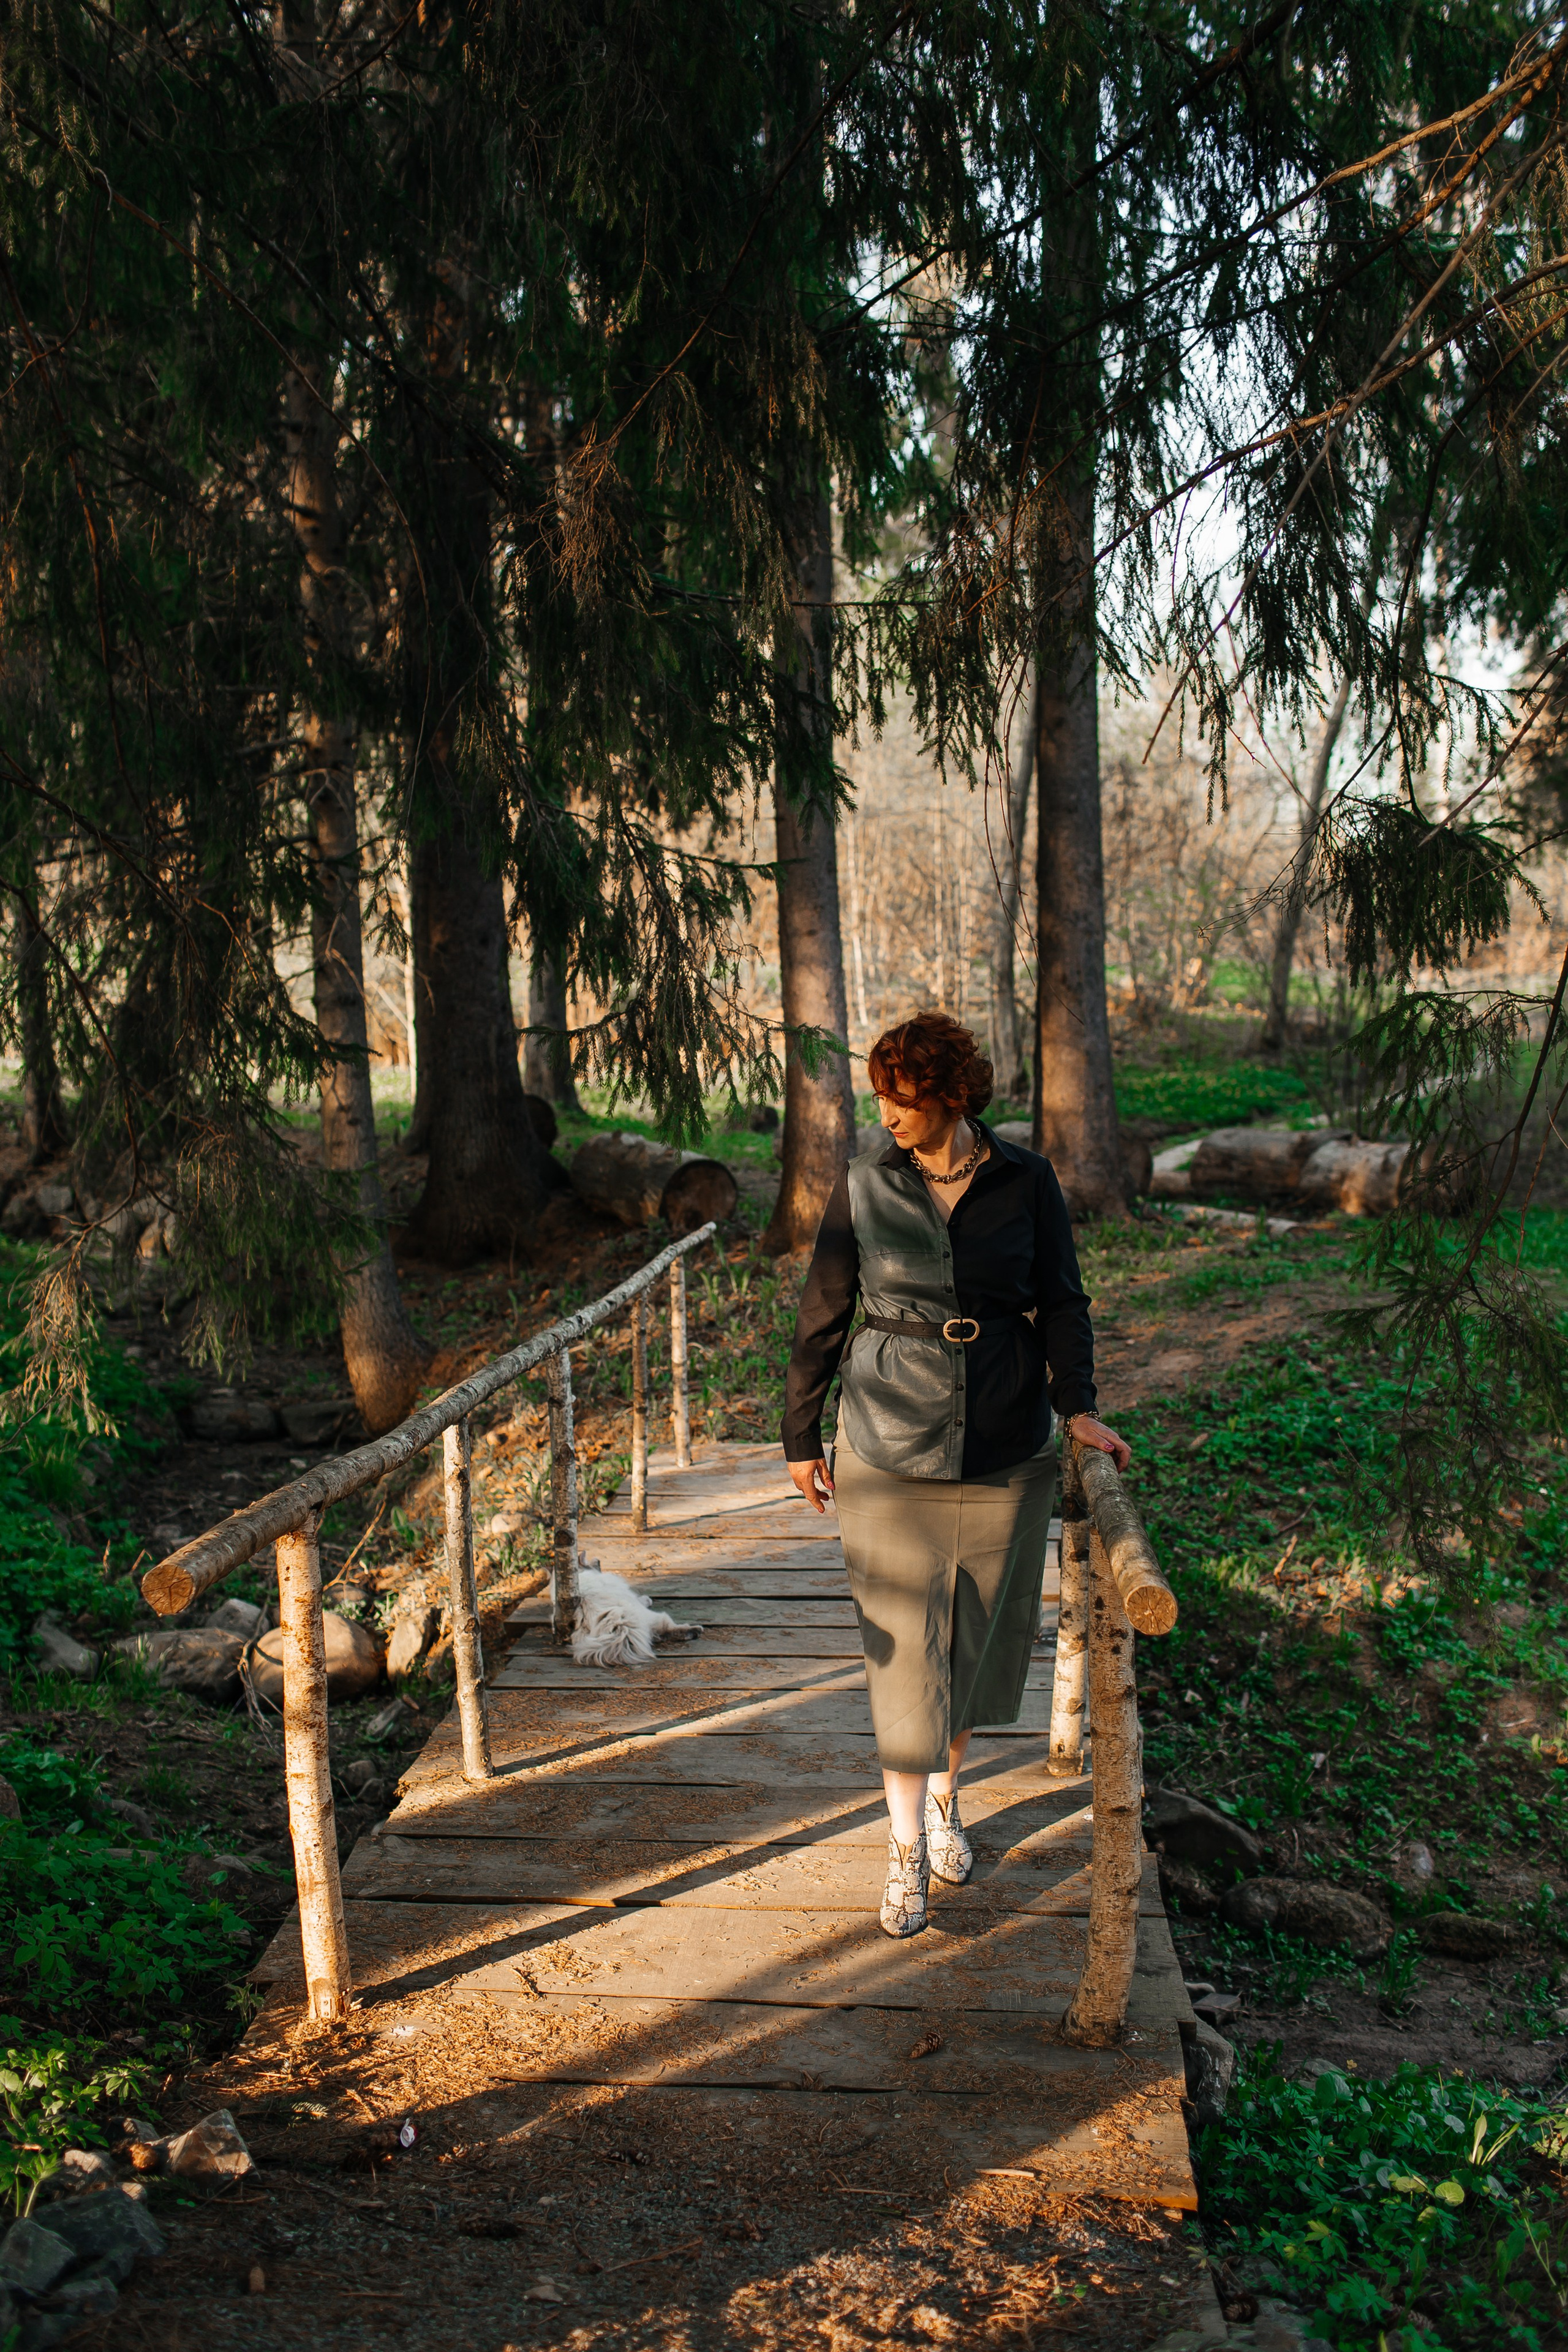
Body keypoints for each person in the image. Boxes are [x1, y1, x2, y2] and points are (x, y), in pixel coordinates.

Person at [782, 1011, 1129, 1938]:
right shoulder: (864, 1185)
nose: (886, 1113)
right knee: (904, 1654)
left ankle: (945, 1803)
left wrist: (1078, 1405)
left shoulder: (1027, 1180)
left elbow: (1061, 1298)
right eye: (880, 1096)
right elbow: (824, 1311)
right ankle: (903, 1851)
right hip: (886, 1449)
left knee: (974, 1645)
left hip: (1007, 1439)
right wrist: (798, 1435)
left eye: (902, 1097)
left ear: (950, 1095)